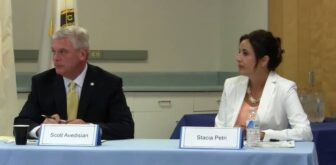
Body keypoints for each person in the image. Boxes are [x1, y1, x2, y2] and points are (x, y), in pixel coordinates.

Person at [14, 26, 134, 140]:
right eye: (53, 52)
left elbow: (126, 127)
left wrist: (89, 129)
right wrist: (42, 130)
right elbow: (20, 124)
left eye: (62, 52)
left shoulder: (108, 83)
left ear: (82, 54)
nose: (55, 58)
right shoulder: (42, 83)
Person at [215, 29, 313, 141]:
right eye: (239, 52)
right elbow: (219, 128)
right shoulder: (231, 85)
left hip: (267, 156)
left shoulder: (285, 88)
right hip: (232, 156)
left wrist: (263, 135)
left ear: (264, 60)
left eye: (245, 53)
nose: (238, 58)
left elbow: (305, 132)